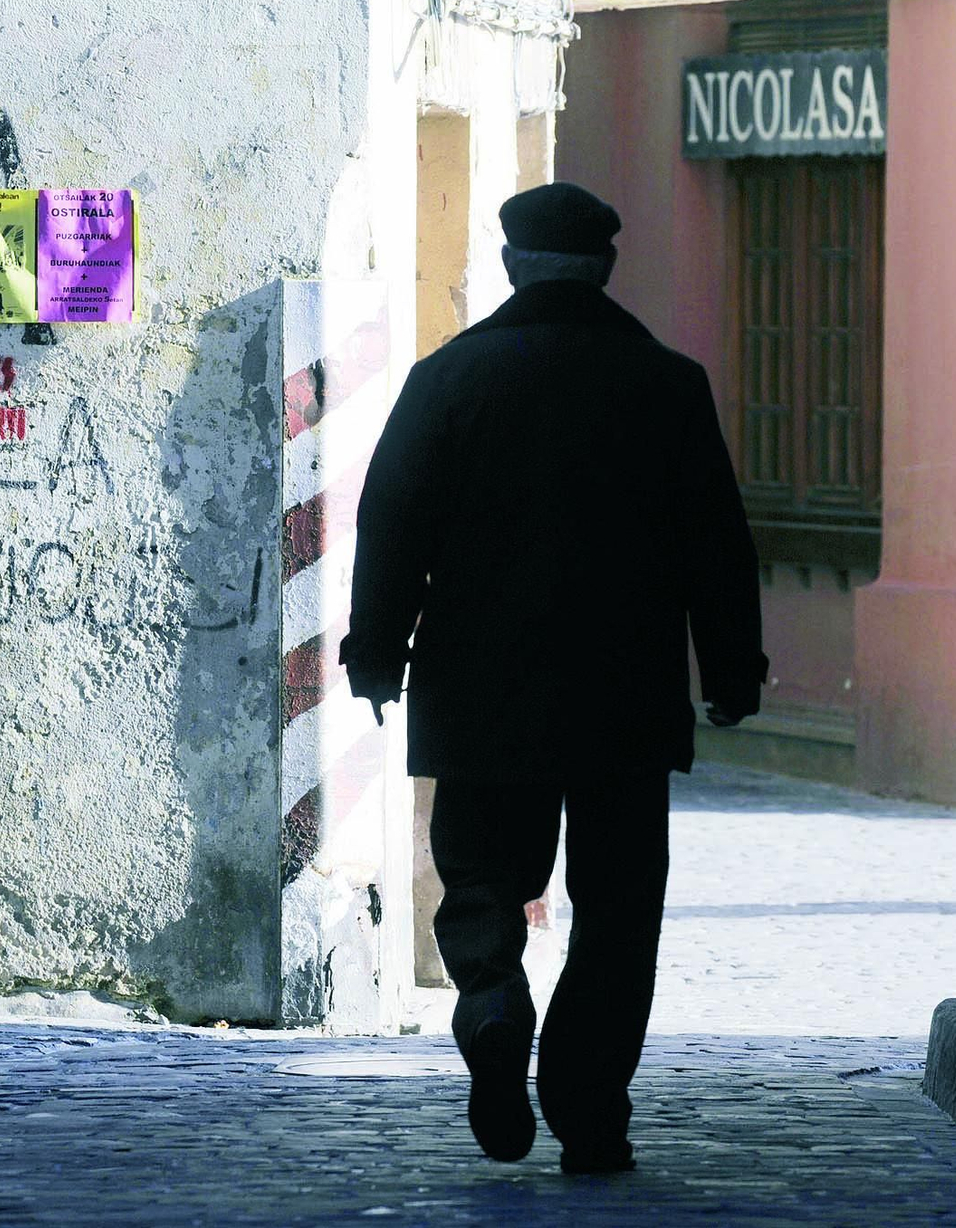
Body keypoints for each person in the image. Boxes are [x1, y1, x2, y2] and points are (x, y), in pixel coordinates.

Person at [339, 181, 768, 1173]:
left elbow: (391, 523)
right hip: (625, 695)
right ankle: (588, 1110)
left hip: (480, 692)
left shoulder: (450, 378)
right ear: (605, 267)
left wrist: (377, 652)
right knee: (618, 910)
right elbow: (717, 541)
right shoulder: (668, 384)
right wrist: (731, 669)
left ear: (509, 265)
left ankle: (492, 998)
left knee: (482, 875)